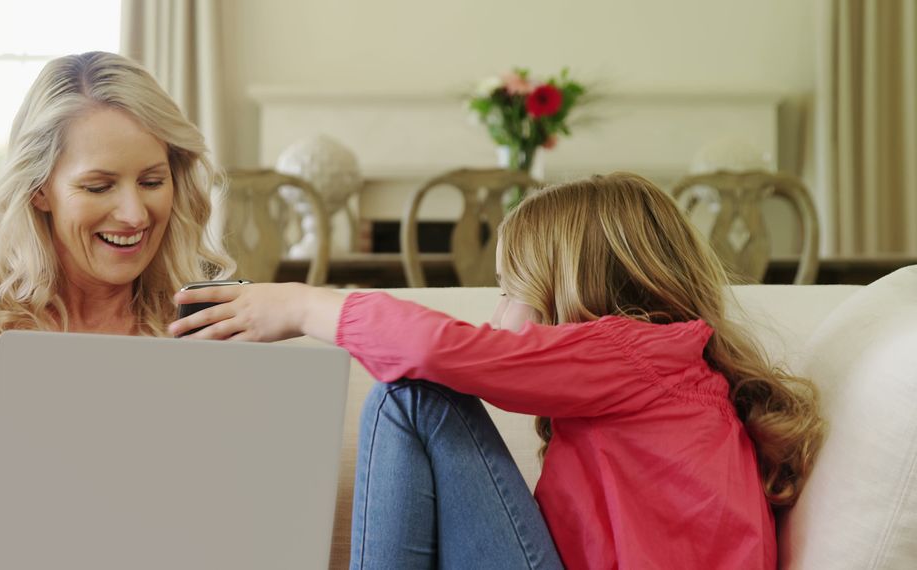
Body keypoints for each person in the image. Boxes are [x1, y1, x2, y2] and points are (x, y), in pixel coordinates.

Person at [170, 172, 826, 569]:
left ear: (575, 294)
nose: (498, 312)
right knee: (420, 396)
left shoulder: (632, 356)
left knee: (414, 400)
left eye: (511, 289)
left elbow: (442, 352)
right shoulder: (669, 373)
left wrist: (300, 303)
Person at [0, 51, 230, 570]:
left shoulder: (201, 318)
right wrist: (109, 465)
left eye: (152, 181)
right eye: (99, 186)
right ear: (39, 190)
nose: (135, 214)